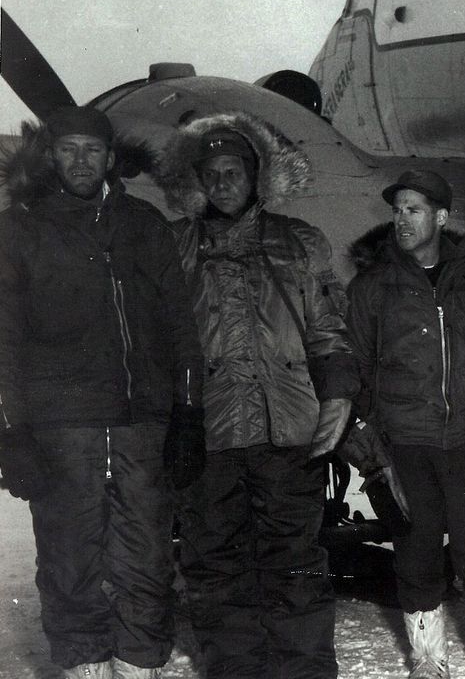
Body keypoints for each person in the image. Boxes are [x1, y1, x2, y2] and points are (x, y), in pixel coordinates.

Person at [0, 106, 205, 679]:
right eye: (69, 149)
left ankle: (139, 667)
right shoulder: (18, 229)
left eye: (92, 149)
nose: (81, 161)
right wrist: (11, 430)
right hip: (62, 427)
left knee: (148, 562)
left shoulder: (144, 223)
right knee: (70, 564)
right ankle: (85, 669)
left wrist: (189, 412)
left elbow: (180, 325)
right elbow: (2, 338)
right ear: (51, 156)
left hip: (142, 423)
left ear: (111, 158)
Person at [154, 112, 359, 679]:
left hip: (288, 431)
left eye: (234, 170)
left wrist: (338, 396)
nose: (223, 183)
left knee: (297, 563)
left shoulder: (299, 241)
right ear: (196, 182)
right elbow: (153, 340)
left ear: (257, 176)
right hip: (207, 435)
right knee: (215, 568)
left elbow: (328, 329)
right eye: (211, 173)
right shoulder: (172, 246)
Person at [345, 170, 465, 679]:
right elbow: (359, 364)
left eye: (414, 210)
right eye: (397, 210)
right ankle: (429, 663)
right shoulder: (372, 286)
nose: (402, 220)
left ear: (442, 217)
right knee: (416, 555)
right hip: (406, 444)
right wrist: (377, 425)